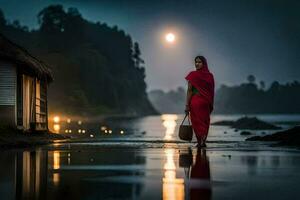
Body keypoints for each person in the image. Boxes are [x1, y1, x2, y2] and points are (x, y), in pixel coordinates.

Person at [185, 55, 215, 147]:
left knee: (197, 122)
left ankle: (200, 141)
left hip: (196, 102)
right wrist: (210, 103)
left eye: (199, 62)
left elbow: (190, 90)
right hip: (206, 102)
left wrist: (187, 105)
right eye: (196, 62)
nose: (197, 64)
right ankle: (202, 141)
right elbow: (212, 91)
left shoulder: (192, 75)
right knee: (204, 121)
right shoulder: (210, 76)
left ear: (204, 63)